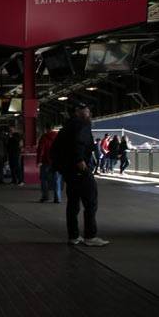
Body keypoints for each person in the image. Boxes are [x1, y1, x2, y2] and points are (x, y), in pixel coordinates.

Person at [53, 102, 109, 246]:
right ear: (77, 111)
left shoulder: (66, 127)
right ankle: (90, 236)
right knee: (91, 202)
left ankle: (73, 236)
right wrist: (79, 160)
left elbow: (56, 148)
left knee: (73, 204)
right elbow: (79, 143)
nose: (89, 112)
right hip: (79, 169)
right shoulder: (81, 125)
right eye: (86, 110)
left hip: (69, 171)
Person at [36, 126, 61, 203]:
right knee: (56, 180)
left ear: (46, 129)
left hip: (45, 162)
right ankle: (57, 198)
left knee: (44, 179)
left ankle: (45, 196)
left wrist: (39, 161)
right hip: (56, 162)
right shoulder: (58, 137)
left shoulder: (44, 137)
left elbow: (41, 149)